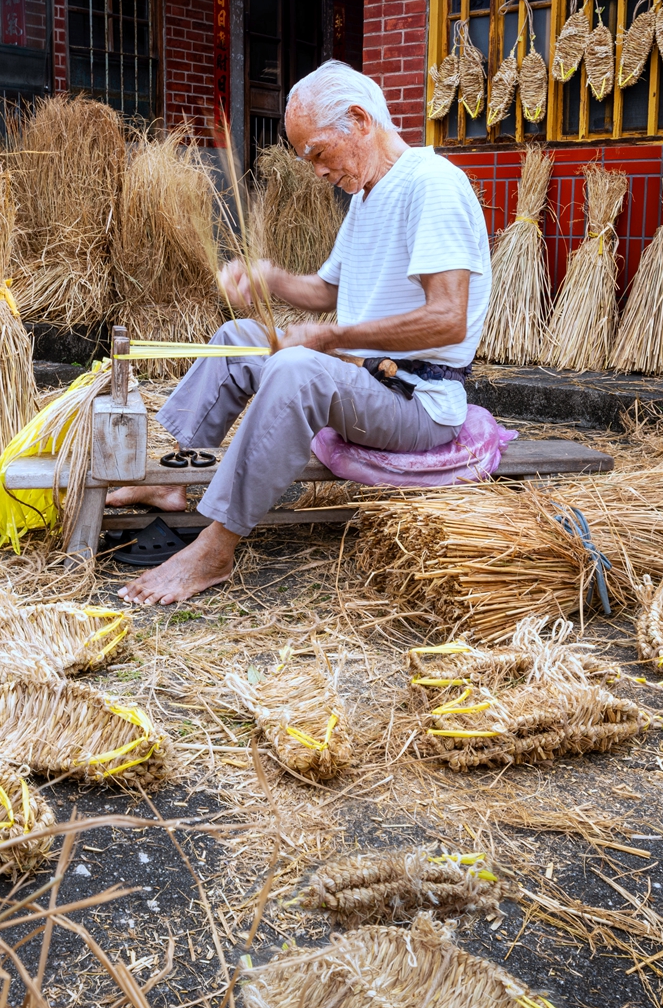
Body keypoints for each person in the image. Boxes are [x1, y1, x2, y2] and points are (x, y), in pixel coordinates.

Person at [112, 60, 493, 606]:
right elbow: (328, 290)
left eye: (318, 153)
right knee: (240, 337)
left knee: (298, 368)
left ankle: (216, 547)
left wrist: (328, 340)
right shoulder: (367, 196)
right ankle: (174, 477)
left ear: (359, 120)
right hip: (363, 381)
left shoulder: (432, 186)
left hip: (416, 402)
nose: (316, 171)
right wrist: (269, 278)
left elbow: (447, 317)